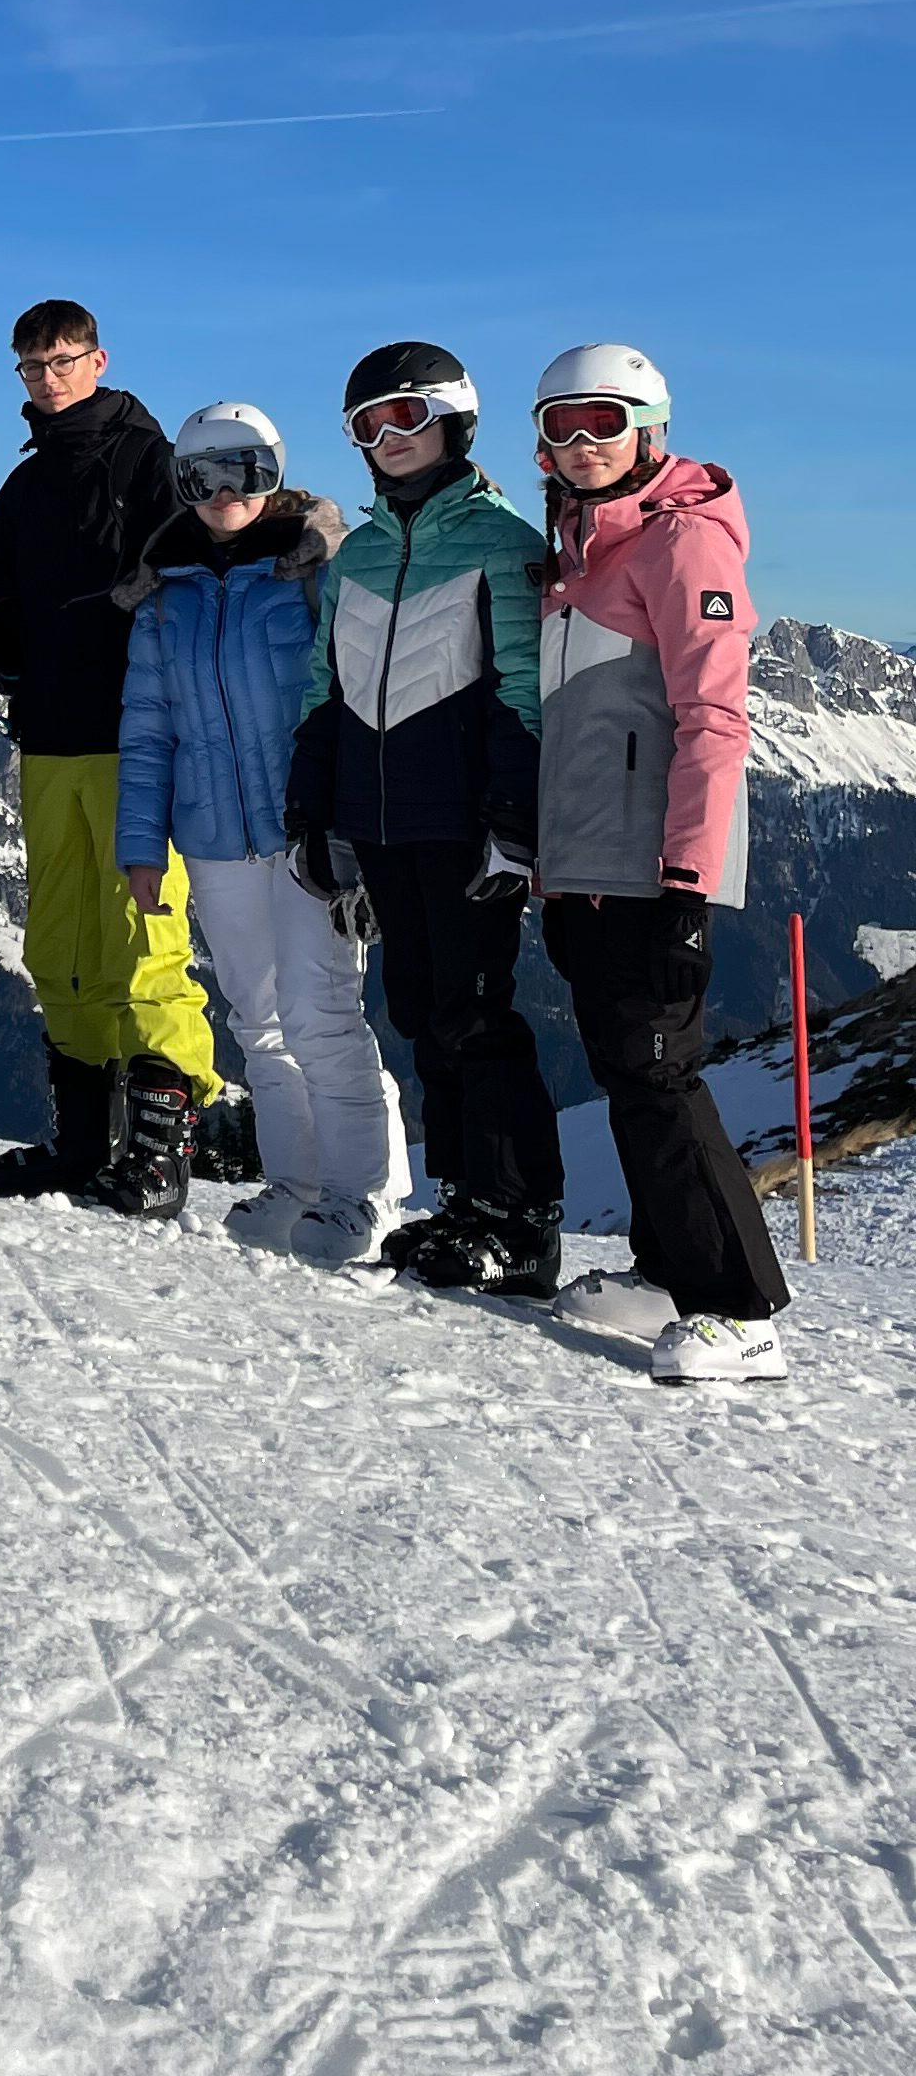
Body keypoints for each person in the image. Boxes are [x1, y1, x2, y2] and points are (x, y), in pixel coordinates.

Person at [531, 345, 789, 1385]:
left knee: (659, 1075)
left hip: (650, 871)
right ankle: (666, 1271)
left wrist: (689, 882)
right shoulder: (575, 554)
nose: (582, 443)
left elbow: (714, 721)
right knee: (625, 1073)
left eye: (603, 421)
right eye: (561, 425)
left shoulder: (681, 547)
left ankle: (739, 1308)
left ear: (651, 427)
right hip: (583, 864)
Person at [285, 344, 565, 1294]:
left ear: (455, 424)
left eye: (408, 417)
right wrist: (313, 808)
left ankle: (521, 1221)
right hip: (377, 819)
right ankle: (463, 1200)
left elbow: (524, 692)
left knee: (476, 1011)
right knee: (417, 1008)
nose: (389, 438)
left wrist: (515, 815)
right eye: (370, 425)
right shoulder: (357, 553)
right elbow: (326, 691)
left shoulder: (503, 543)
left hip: (464, 820)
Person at [0, 301, 219, 1202]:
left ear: (99, 359)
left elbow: (188, 574)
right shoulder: (28, 483)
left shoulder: (151, 463)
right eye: (33, 367)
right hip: (50, 738)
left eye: (63, 361)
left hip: (134, 734)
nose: (50, 379)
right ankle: (85, 1143)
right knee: (62, 939)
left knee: (144, 933)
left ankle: (160, 1149)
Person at [116, 404, 399, 1252]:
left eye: (244, 471)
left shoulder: (315, 569)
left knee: (322, 1011)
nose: (223, 493)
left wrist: (354, 823)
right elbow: (146, 726)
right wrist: (141, 844)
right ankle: (298, 1183)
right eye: (200, 477)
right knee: (258, 1018)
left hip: (305, 829)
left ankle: (365, 1196)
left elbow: (356, 701)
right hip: (212, 837)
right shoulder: (167, 591)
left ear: (275, 471)